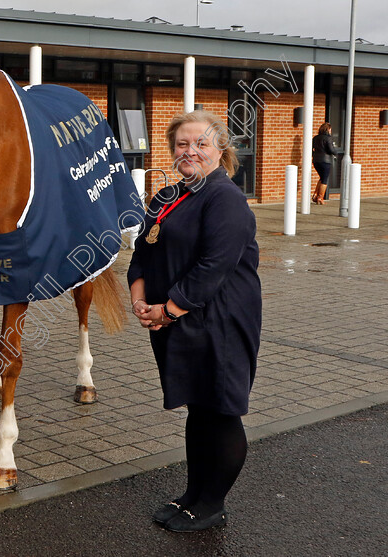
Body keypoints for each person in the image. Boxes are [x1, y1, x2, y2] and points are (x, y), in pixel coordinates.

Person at [127, 110, 262, 533]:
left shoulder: (226, 198)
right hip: (177, 320)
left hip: (219, 320)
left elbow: (213, 267)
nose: (191, 152)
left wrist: (167, 310)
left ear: (221, 151)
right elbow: (141, 254)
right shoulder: (166, 196)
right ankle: (193, 495)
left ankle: (213, 504)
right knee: (198, 408)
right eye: (182, 144)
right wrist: (140, 300)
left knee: (220, 410)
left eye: (201, 144)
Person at [311, 122, 338, 205]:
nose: (331, 131)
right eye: (330, 129)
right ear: (328, 129)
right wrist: (335, 152)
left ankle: (315, 195)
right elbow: (330, 150)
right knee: (325, 179)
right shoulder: (328, 138)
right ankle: (320, 197)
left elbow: (311, 149)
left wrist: (314, 156)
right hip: (325, 161)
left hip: (316, 161)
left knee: (322, 177)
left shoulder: (315, 138)